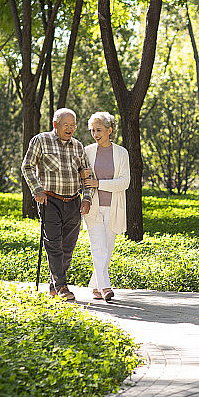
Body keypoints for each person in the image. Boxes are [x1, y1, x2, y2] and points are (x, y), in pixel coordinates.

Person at [21, 108, 93, 301]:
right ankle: (62, 286)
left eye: (73, 125)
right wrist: (37, 190)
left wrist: (87, 198)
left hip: (73, 202)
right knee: (54, 244)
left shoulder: (78, 146)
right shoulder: (41, 140)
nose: (70, 129)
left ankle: (54, 286)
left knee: (67, 247)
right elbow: (27, 166)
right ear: (55, 125)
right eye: (66, 125)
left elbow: (87, 175)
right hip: (50, 200)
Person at [82, 111, 130, 301]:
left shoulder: (121, 153)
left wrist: (98, 183)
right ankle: (105, 287)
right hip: (92, 208)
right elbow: (81, 177)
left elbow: (124, 182)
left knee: (107, 250)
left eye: (99, 130)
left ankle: (95, 286)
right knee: (98, 248)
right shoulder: (87, 151)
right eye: (92, 130)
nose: (95, 134)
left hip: (114, 208)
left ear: (110, 130)